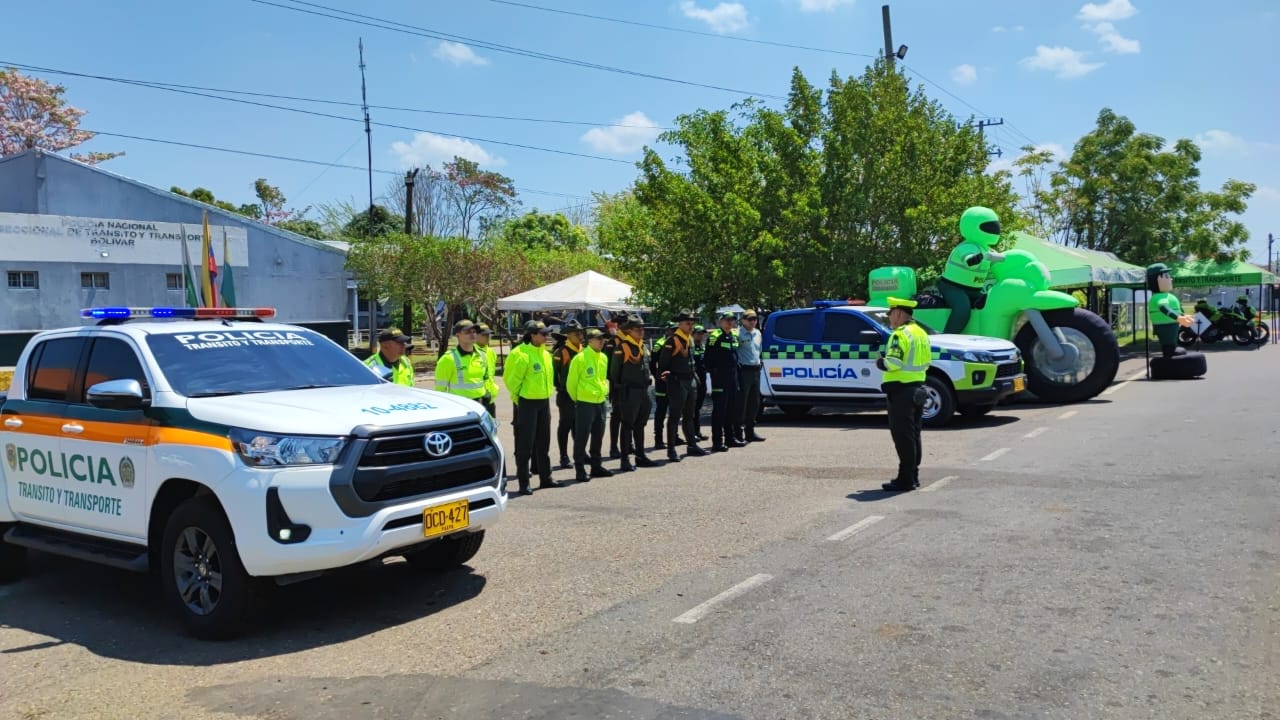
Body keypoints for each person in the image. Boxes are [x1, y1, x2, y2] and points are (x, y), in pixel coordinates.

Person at [875, 297, 933, 491]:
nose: (889, 318)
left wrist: (881, 363)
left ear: (899, 313)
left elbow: (895, 362)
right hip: (918, 389)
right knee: (914, 435)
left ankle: (905, 479)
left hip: (901, 392)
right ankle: (913, 475)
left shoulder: (900, 335)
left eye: (890, 314)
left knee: (902, 437)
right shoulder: (921, 333)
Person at [504, 320, 561, 495]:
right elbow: (511, 380)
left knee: (543, 442)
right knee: (525, 444)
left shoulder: (545, 353)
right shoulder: (520, 353)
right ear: (532, 334)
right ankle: (523, 481)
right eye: (543, 333)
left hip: (543, 401)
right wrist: (519, 398)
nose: (546, 336)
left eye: (547, 333)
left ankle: (545, 477)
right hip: (526, 402)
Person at [938, 206, 1007, 334]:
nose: (994, 230)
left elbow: (1002, 261)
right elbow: (969, 260)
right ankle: (947, 337)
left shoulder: (987, 249)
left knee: (990, 303)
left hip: (974, 290)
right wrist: (977, 258)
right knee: (962, 309)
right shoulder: (966, 247)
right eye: (989, 227)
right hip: (953, 288)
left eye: (995, 226)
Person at [656, 312, 709, 462]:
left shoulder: (689, 339)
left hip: (690, 380)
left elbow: (691, 361)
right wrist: (669, 380)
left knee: (689, 415)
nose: (690, 325)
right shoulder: (672, 341)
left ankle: (691, 445)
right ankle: (671, 449)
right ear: (679, 324)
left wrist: (695, 378)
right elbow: (663, 365)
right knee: (674, 416)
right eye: (687, 323)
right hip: (677, 381)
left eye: (692, 323)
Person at [611, 314, 658, 471]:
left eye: (642, 328)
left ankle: (640, 455)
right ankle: (624, 459)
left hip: (643, 390)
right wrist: (619, 392)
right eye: (637, 328)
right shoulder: (622, 347)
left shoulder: (642, 346)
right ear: (629, 330)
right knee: (627, 424)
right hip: (629, 391)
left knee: (640, 424)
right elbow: (614, 374)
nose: (641, 331)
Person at [567, 328, 615, 482]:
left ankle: (596, 466)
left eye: (603, 339)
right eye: (598, 339)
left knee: (598, 435)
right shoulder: (580, 359)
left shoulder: (603, 357)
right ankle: (579, 468)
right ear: (589, 340)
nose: (602, 341)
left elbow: (603, 378)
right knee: (582, 436)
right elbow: (571, 384)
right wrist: (579, 399)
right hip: (585, 403)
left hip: (600, 402)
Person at [704, 313, 743, 452]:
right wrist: (714, 374)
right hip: (720, 378)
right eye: (727, 320)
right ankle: (717, 441)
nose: (730, 322)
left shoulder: (733, 335)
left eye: (732, 320)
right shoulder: (715, 336)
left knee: (731, 409)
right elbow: (708, 358)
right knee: (720, 411)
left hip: (732, 377)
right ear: (721, 321)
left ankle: (730, 438)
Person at [552, 319, 585, 469]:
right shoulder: (562, 352)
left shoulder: (583, 350)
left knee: (579, 426)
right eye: (576, 333)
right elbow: (555, 375)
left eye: (580, 332)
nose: (580, 335)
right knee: (565, 425)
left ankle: (580, 453)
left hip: (581, 394)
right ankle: (563, 456)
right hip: (566, 395)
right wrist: (562, 388)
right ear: (568, 335)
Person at [433, 320, 489, 407]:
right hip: (459, 405)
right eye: (467, 332)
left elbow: (485, 379)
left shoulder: (482, 355)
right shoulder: (448, 359)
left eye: (474, 331)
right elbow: (440, 389)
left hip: (480, 404)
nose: (472, 334)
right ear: (457, 335)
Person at [1146, 264, 1194, 358]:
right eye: (1166, 276)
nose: (1170, 279)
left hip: (1172, 324)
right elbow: (1164, 308)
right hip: (1165, 325)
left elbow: (1173, 309)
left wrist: (1183, 315)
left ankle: (1172, 349)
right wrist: (1178, 317)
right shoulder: (1159, 297)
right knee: (1168, 341)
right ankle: (1169, 352)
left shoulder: (1165, 295)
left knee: (1173, 340)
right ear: (1157, 279)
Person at [734, 309, 765, 443]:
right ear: (743, 320)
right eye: (750, 319)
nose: (753, 321)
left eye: (755, 319)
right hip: (744, 371)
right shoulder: (737, 334)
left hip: (756, 370)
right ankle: (738, 433)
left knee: (755, 402)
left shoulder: (758, 333)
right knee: (741, 403)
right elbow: (734, 352)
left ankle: (750, 432)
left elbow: (759, 351)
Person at [650, 322, 676, 449]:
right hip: (662, 383)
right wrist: (657, 377)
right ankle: (658, 439)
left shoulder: (678, 341)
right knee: (661, 410)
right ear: (667, 330)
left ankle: (674, 437)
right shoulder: (659, 344)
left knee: (675, 410)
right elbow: (652, 363)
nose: (674, 331)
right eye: (672, 329)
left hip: (674, 381)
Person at [602, 321, 624, 458]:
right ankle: (613, 447)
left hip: (629, 385)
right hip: (616, 385)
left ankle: (628, 445)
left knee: (629, 416)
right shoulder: (611, 342)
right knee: (616, 416)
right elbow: (607, 363)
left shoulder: (632, 341)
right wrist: (612, 383)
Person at [475, 323, 499, 417]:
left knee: (491, 428)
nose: (488, 337)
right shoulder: (471, 352)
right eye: (484, 335)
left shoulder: (491, 352)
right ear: (475, 335)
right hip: (477, 398)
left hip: (490, 398)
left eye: (489, 334)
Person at [691, 325, 709, 442]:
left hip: (702, 381)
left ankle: (697, 432)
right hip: (694, 381)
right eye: (698, 333)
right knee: (692, 409)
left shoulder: (703, 346)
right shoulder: (690, 347)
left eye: (702, 333)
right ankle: (692, 433)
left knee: (698, 408)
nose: (701, 336)